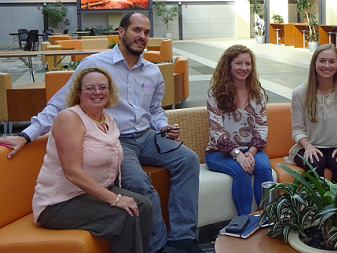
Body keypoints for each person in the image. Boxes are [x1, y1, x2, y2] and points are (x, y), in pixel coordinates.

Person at [0, 12, 202, 253]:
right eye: (136, 30)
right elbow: (59, 104)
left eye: (146, 32)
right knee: (139, 184)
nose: (142, 36)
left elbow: (156, 110)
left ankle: (182, 238)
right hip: (116, 141)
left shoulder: (153, 72)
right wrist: (26, 135)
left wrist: (162, 126)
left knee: (188, 160)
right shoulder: (95, 64)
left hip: (148, 136)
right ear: (121, 32)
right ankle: (157, 247)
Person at [32, 66, 153, 253]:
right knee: (124, 215)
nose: (97, 92)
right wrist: (115, 199)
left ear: (109, 92)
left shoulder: (108, 120)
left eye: (102, 87)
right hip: (58, 203)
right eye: (90, 88)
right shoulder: (70, 119)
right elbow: (72, 172)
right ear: (79, 93)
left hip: (89, 194)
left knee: (143, 205)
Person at [205, 44, 274, 215]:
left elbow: (261, 127)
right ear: (228, 65)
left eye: (248, 64)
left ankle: (270, 219)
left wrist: (250, 152)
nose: (244, 68)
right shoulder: (215, 94)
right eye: (238, 63)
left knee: (265, 168)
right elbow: (217, 132)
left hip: (251, 149)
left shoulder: (256, 94)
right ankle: (245, 221)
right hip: (219, 152)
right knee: (241, 171)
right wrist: (238, 155)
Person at [285, 44, 337, 180]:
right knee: (315, 162)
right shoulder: (300, 93)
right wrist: (308, 147)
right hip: (309, 145)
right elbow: (297, 130)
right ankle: (313, 201)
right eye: (322, 61)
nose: (327, 65)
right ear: (314, 64)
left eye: (332, 61)